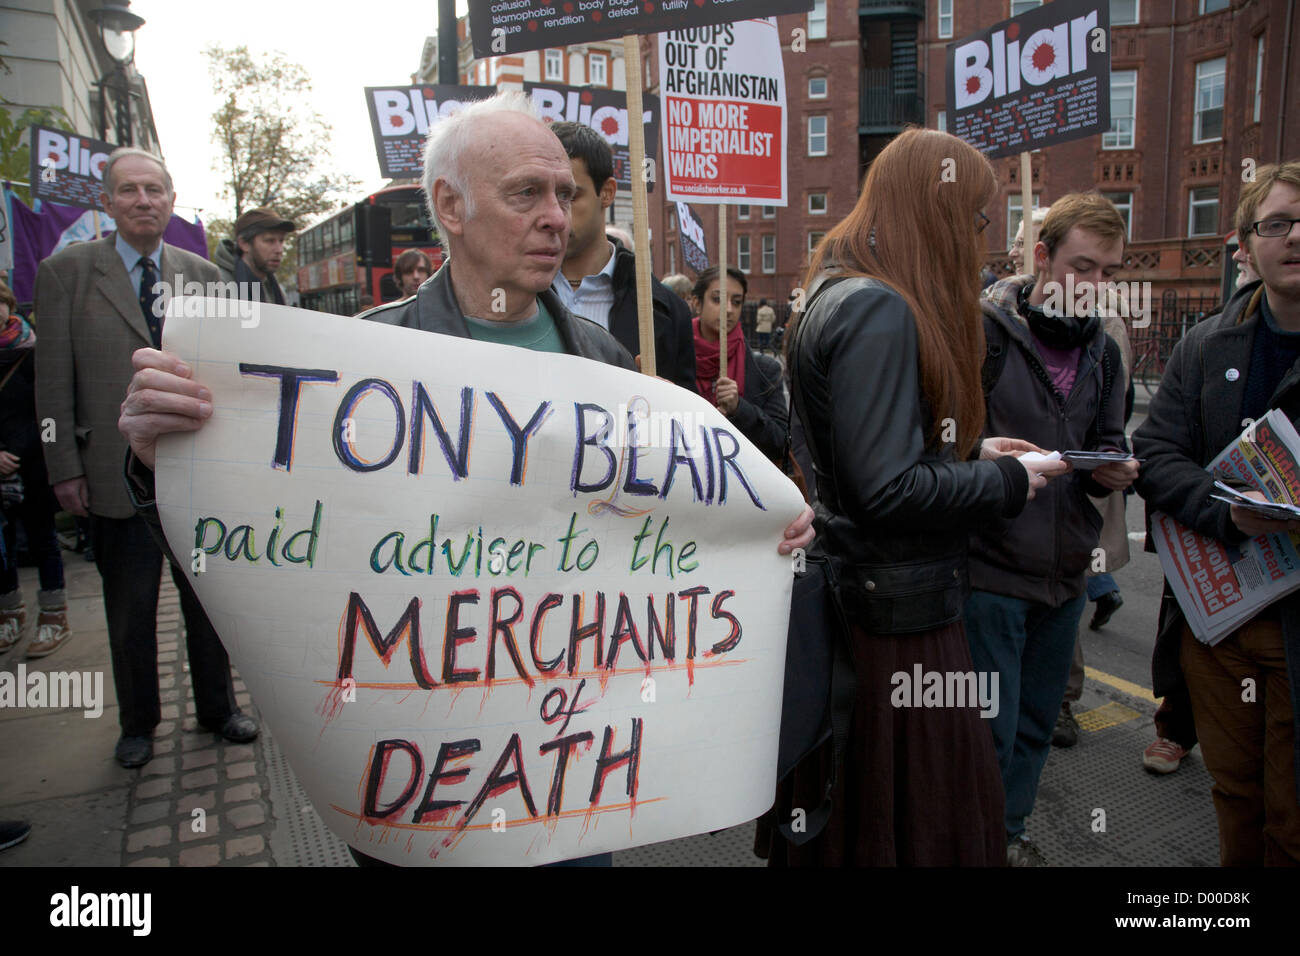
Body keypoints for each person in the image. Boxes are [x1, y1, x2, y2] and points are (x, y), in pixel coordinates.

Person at [116, 91, 815, 865]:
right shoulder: (360, 362)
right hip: (426, 789)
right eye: (526, 194)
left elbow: (660, 523)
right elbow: (251, 540)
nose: (557, 218)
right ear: (450, 206)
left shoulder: (604, 361)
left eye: (565, 194)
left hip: (571, 776)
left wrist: (759, 527)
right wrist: (161, 459)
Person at [763, 128, 1067, 867]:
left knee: (865, 822)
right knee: (918, 820)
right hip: (898, 618)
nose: (981, 236)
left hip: (867, 605)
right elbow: (885, 489)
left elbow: (865, 456)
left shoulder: (835, 291)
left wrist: (968, 453)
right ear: (939, 209)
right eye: (976, 215)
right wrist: (1006, 481)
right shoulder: (880, 307)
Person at [34, 147, 258, 769]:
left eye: (154, 189)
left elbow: (230, 375)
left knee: (208, 602)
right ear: (106, 202)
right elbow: (51, 382)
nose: (143, 200)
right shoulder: (65, 273)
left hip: (196, 476)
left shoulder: (204, 275)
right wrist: (63, 468)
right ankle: (138, 725)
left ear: (171, 199)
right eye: (129, 190)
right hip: (111, 477)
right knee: (130, 611)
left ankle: (218, 709)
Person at [1133, 161, 1300, 865]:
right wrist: (1226, 510)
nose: (1296, 237)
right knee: (1236, 795)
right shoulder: (1205, 344)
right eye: (1278, 223)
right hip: (1220, 624)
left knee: (1293, 819)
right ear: (1248, 243)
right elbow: (1155, 453)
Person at [967, 193, 1137, 865]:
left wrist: (1113, 469)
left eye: (1109, 272)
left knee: (1037, 725)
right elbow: (944, 440)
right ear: (1042, 256)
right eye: (1083, 266)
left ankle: (1009, 833)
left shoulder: (1104, 354)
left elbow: (1108, 440)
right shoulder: (983, 334)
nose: (1096, 285)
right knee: (987, 730)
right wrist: (983, 456)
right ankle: (974, 841)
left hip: (1066, 576)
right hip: (989, 570)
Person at [549, 122, 697, 393]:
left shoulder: (666, 310)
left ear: (607, 193)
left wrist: (661, 401)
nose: (554, 214)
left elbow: (685, 412)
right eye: (537, 193)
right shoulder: (511, 295)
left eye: (568, 195)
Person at [0, 280, 71, 658]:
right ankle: (9, 613)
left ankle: (54, 615)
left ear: (9, 306)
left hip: (31, 463)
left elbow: (47, 408)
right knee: (2, 543)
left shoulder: (31, 350)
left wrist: (18, 451)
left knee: (43, 539)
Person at [690, 266, 786, 463]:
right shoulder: (673, 363)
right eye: (717, 299)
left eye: (736, 302)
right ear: (697, 303)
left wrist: (740, 409)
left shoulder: (766, 370)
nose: (728, 309)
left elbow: (781, 444)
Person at [213, 207, 294, 304]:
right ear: (244, 244)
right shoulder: (218, 285)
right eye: (269, 241)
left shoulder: (276, 291)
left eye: (281, 241)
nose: (279, 250)